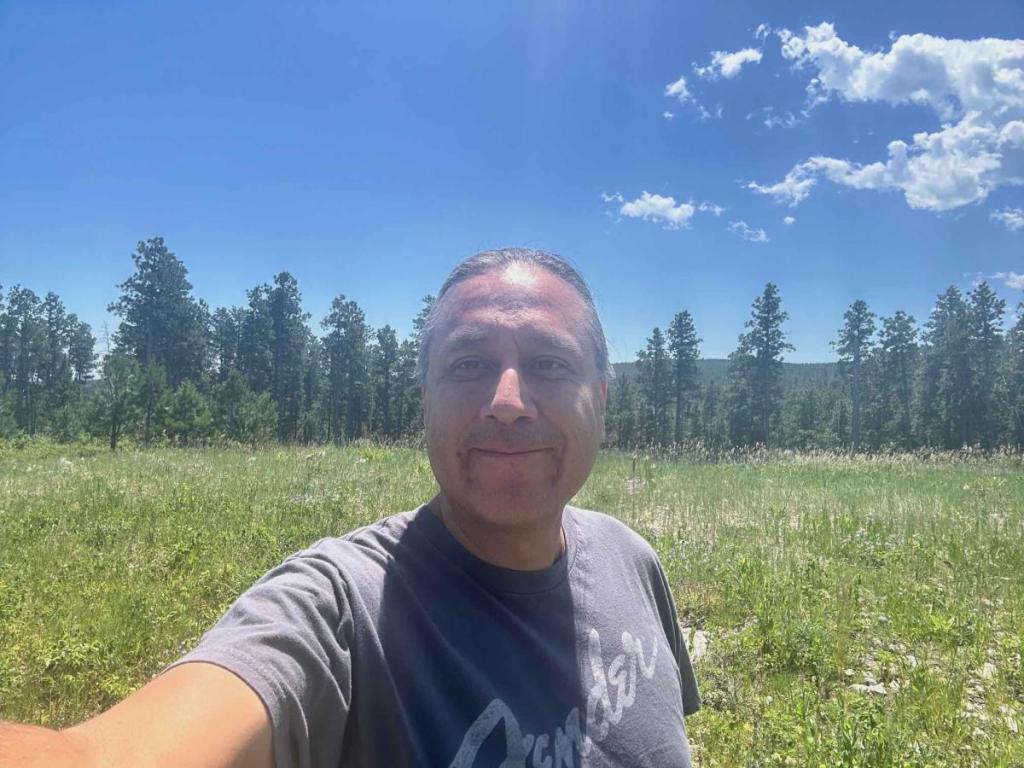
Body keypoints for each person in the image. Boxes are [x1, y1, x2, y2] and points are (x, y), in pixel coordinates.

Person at [0, 248, 699, 768]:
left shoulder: (631, 560)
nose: (508, 402)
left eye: (549, 363)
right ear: (424, 399)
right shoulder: (342, 607)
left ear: (601, 398)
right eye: (467, 365)